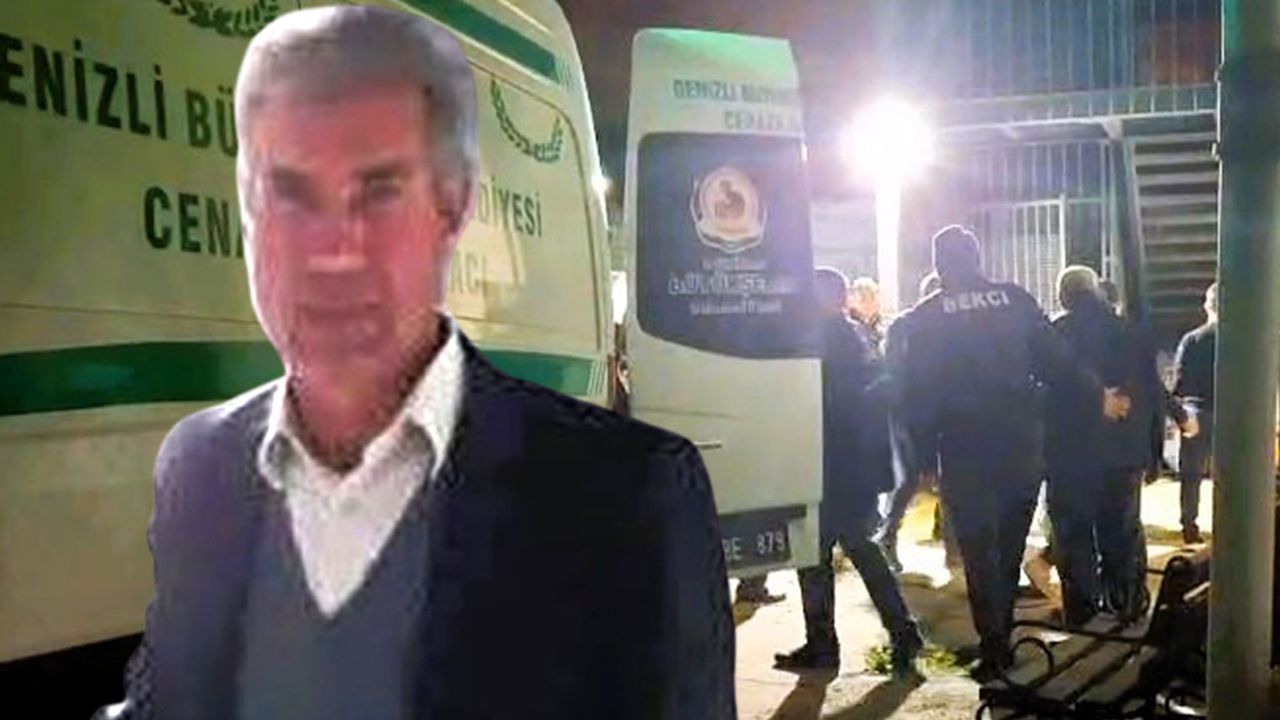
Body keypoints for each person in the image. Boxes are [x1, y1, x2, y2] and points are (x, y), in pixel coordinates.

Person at [97, 8, 735, 719]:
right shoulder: (200, 464)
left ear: (451, 208)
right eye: (289, 195)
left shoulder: (627, 496)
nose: (331, 251)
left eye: (376, 194)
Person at [896, 226, 1119, 680]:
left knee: (980, 553)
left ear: (939, 265)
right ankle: (1001, 638)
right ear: (978, 259)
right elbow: (1059, 362)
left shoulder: (926, 317)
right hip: (1021, 447)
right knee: (1008, 547)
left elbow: (916, 396)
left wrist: (922, 460)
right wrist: (1100, 395)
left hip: (964, 450)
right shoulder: (1014, 301)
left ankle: (995, 645)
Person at [773, 268, 923, 676]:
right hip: (853, 466)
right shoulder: (853, 336)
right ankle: (900, 632)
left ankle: (826, 645)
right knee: (859, 550)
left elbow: (818, 402)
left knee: (815, 555)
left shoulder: (824, 339)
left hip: (828, 464)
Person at [1043, 266, 1158, 626]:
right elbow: (1151, 391)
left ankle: (1083, 613)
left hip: (1071, 455)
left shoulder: (1056, 334)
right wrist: (1152, 452)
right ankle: (1125, 605)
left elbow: (1046, 391)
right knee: (1121, 532)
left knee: (1074, 535)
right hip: (1124, 453)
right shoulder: (1130, 331)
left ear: (1064, 297)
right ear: (1095, 291)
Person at [880, 272, 962, 576]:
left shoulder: (906, 324)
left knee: (924, 478)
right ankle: (888, 537)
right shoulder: (914, 325)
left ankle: (952, 549)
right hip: (916, 412)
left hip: (920, 412)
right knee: (912, 479)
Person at [1173, 283, 1217, 544]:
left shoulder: (1191, 339)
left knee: (1191, 476)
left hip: (1196, 412)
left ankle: (1189, 526)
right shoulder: (1242, 341)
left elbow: (1179, 382)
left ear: (1207, 306)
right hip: (1230, 413)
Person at [848, 276, 886, 351]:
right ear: (853, 302)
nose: (868, 304)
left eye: (872, 299)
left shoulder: (883, 328)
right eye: (863, 300)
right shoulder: (849, 328)